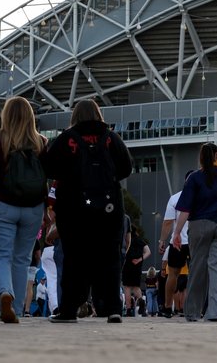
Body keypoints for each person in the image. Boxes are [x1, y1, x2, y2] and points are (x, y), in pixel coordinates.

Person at [42, 99, 133, 323]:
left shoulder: (67, 139)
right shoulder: (111, 137)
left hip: (73, 209)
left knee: (74, 258)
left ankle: (69, 310)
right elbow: (127, 167)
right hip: (109, 207)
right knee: (110, 258)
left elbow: (49, 167)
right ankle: (112, 308)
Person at [0, 96, 49, 323]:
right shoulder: (41, 142)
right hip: (33, 208)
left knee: (2, 255)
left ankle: (4, 294)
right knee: (22, 259)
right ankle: (18, 309)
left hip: (3, 204)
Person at [172, 142, 217, 322]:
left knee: (198, 268)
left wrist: (177, 232)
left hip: (199, 226)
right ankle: (215, 312)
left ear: (201, 157)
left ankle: (192, 312)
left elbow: (185, 209)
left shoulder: (194, 178)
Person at [158, 176, 190, 318]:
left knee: (173, 275)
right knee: (198, 276)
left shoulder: (175, 198)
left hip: (178, 242)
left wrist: (162, 240)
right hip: (196, 241)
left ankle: (167, 307)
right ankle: (196, 307)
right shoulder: (202, 198)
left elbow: (168, 223)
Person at [122, 225, 150, 316]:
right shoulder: (140, 240)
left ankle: (129, 309)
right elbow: (148, 252)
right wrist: (139, 259)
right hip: (137, 266)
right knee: (136, 287)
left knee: (127, 287)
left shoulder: (127, 240)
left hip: (127, 265)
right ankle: (142, 305)